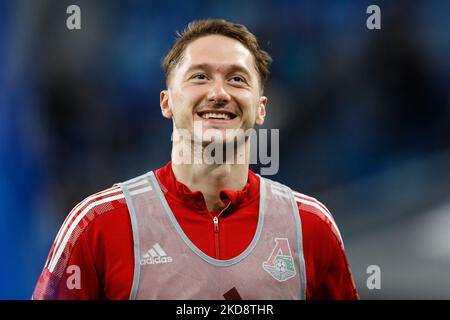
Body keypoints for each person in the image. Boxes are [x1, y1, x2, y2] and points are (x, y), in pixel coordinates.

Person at [33, 19, 359, 300]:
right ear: (167, 103)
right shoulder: (98, 223)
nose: (218, 93)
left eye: (237, 78)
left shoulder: (310, 227)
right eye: (199, 77)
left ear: (261, 109)